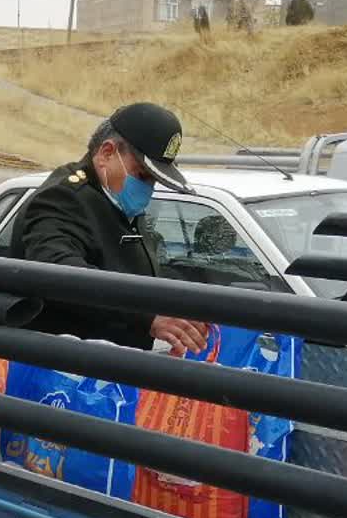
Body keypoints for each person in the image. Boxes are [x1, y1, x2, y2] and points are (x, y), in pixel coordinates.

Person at [13, 103, 210, 354]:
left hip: (113, 371)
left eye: (154, 181)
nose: (147, 188)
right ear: (107, 153)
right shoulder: (64, 198)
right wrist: (146, 315)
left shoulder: (117, 199)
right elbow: (58, 270)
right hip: (69, 374)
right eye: (142, 175)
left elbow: (136, 269)